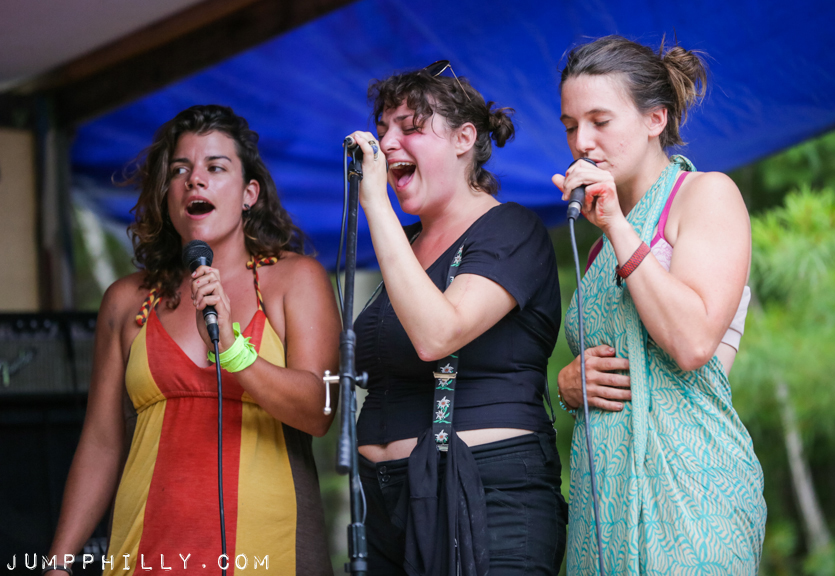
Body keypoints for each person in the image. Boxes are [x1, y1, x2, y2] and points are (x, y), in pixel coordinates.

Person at [44, 105, 340, 576]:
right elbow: (101, 442)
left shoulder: (295, 280)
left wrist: (234, 353)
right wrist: (58, 562)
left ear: (249, 194)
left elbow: (320, 411)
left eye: (215, 168)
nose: (194, 180)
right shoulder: (127, 301)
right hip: (144, 554)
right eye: (180, 170)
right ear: (166, 196)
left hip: (268, 555)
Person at [552, 36, 766, 574]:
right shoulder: (601, 244)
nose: (582, 142)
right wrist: (568, 385)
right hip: (605, 498)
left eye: (600, 121)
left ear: (655, 119)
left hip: (694, 491)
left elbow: (692, 343)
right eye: (571, 125)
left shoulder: (705, 194)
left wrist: (617, 227)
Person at [345, 63, 566, 575]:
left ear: (465, 139)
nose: (387, 144)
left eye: (410, 128)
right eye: (382, 129)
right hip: (383, 504)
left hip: (487, 494)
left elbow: (438, 334)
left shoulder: (510, 228)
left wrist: (375, 203)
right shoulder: (406, 246)